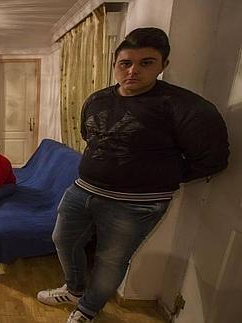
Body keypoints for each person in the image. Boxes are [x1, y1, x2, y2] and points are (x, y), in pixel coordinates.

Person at [36, 27, 229, 323]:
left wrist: (157, 176)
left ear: (163, 65)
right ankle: (74, 290)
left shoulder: (186, 108)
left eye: (146, 63)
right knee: (62, 239)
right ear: (115, 64)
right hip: (82, 189)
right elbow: (91, 136)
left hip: (135, 204)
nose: (133, 71)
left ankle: (87, 309)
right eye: (126, 63)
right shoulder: (98, 99)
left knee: (110, 260)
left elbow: (212, 160)